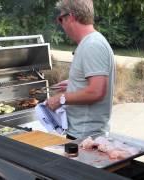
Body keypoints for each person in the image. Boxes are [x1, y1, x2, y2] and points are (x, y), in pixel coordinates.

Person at [46, 0, 115, 140]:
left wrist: (61, 98)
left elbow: (96, 92)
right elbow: (93, 83)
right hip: (82, 132)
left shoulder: (93, 45)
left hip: (86, 136)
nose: (61, 24)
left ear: (70, 17)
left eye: (61, 19)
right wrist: (74, 84)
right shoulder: (90, 42)